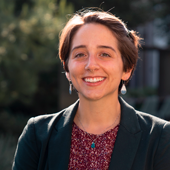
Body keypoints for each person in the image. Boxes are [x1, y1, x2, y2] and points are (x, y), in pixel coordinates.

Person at [12, 9, 170, 170]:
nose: (91, 65)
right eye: (80, 54)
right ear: (67, 69)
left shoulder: (159, 137)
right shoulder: (36, 135)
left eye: (105, 54)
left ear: (127, 69)